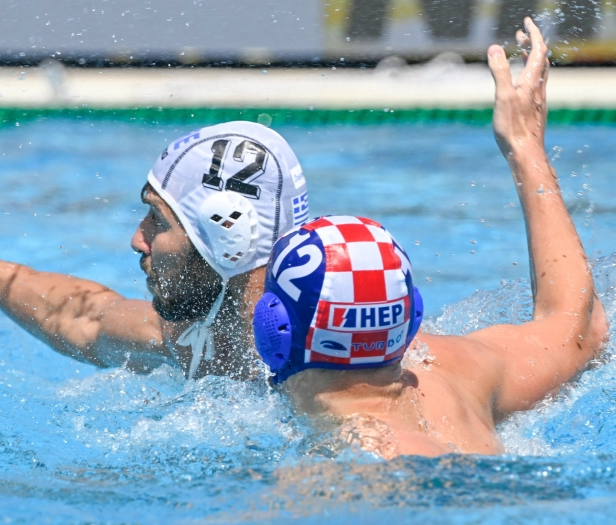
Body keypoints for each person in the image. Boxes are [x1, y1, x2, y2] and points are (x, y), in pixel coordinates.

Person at [250, 18, 608, 457]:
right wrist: (525, 146)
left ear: (272, 331)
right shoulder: (457, 372)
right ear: (409, 320)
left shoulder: (352, 457)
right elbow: (579, 328)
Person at [0, 121, 311, 380]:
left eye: (158, 220)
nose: (137, 239)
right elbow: (83, 317)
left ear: (227, 237)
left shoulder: (325, 357)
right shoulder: (198, 336)